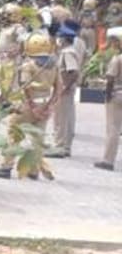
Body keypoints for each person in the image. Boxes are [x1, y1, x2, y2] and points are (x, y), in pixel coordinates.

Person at [0, 33, 60, 180]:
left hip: (28, 105)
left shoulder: (29, 66)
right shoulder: (53, 66)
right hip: (45, 103)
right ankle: (33, 170)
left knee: (13, 133)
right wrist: (50, 105)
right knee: (37, 138)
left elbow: (25, 86)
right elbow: (59, 88)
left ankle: (6, 166)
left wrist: (32, 106)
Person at [47, 24, 81, 158]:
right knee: (67, 116)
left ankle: (59, 146)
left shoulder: (67, 53)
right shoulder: (69, 51)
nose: (57, 40)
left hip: (64, 89)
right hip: (66, 89)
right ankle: (65, 146)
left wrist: (65, 86)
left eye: (59, 38)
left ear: (64, 39)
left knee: (61, 118)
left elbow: (73, 71)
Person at [96, 33, 122, 171]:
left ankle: (108, 160)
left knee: (113, 128)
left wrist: (107, 94)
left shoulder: (117, 59)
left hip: (117, 94)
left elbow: (110, 78)